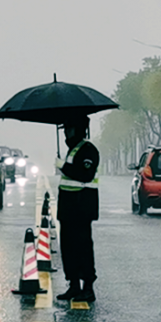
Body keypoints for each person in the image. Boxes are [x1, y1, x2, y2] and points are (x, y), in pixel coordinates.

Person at [54, 115, 100, 303]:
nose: (66, 132)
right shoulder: (72, 150)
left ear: (79, 129)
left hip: (82, 208)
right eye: (65, 129)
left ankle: (87, 288)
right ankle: (73, 285)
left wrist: (63, 166)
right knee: (68, 247)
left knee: (82, 247)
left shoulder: (88, 150)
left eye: (69, 129)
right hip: (68, 208)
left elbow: (85, 175)